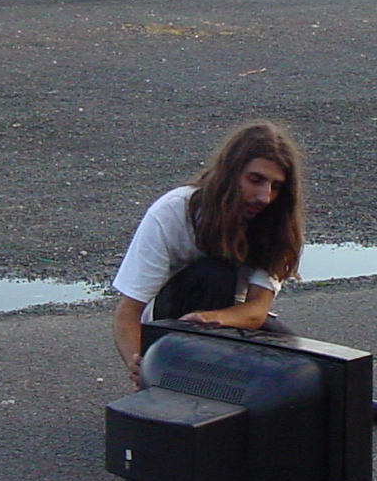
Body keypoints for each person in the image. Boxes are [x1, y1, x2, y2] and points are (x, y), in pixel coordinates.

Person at [111, 121, 305, 385]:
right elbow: (128, 312)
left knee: (302, 367)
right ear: (229, 173)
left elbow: (256, 310)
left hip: (231, 318)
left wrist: (212, 319)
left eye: (276, 186)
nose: (265, 197)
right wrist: (141, 367)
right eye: (255, 180)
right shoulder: (172, 212)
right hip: (170, 324)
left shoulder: (277, 225)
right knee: (215, 273)